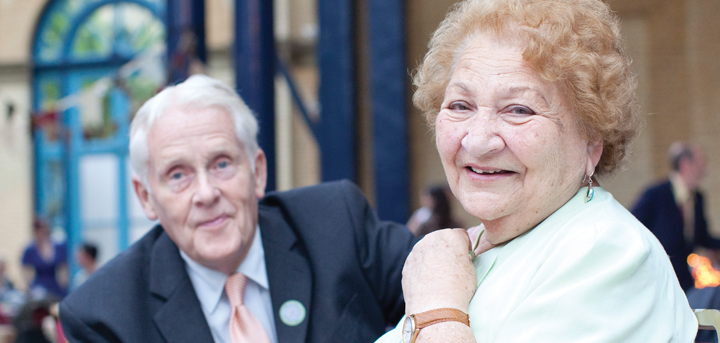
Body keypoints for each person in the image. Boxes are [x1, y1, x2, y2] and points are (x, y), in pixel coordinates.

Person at [377, 0, 697, 342]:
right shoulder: (489, 244)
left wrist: (436, 308)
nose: (479, 140)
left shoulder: (606, 253)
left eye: (518, 109)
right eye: (460, 105)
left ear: (592, 141)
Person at [59, 74, 417, 343]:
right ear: (146, 198)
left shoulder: (336, 222)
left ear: (258, 171)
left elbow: (439, 265)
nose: (206, 193)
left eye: (221, 164)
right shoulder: (103, 315)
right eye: (178, 174)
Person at [631, 142, 718, 291]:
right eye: (701, 162)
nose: (705, 167)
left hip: (683, 282)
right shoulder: (656, 194)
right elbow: (632, 226)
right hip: (657, 281)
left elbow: (703, 237)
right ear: (685, 164)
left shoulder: (698, 198)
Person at [22, 217, 68, 300]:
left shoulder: (58, 246)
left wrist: (63, 283)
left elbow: (63, 267)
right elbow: (27, 272)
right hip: (39, 286)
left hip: (55, 285)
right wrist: (29, 287)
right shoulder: (30, 249)